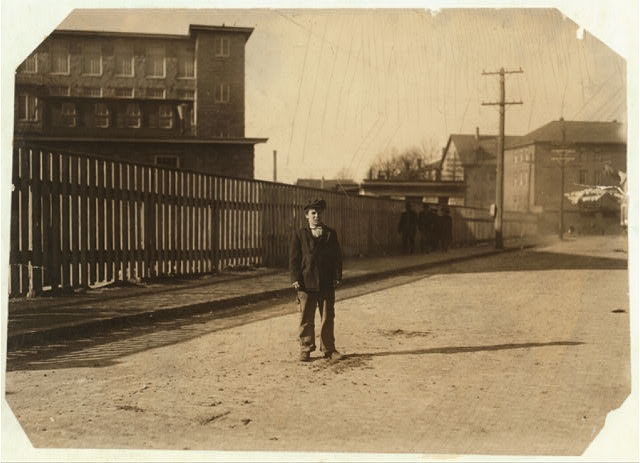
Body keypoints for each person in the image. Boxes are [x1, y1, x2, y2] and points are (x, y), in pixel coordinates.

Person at [289, 198, 343, 362]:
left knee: (327, 316)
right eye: (313, 213)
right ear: (307, 215)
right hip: (306, 281)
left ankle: (329, 349)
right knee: (306, 316)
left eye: (319, 212)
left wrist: (337, 276)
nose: (316, 216)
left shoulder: (330, 233)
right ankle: (305, 348)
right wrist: (295, 278)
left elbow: (337, 257)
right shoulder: (300, 234)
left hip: (326, 282)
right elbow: (294, 259)